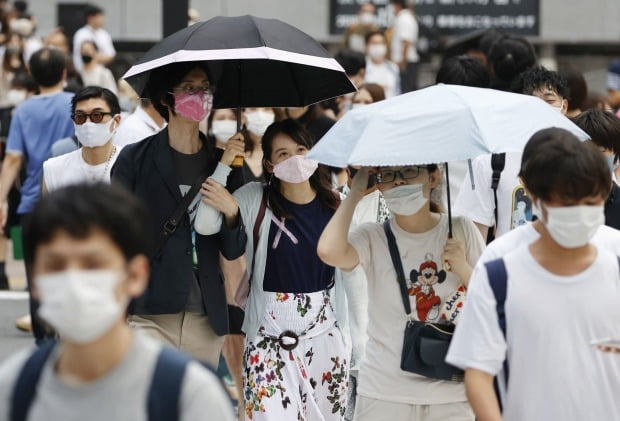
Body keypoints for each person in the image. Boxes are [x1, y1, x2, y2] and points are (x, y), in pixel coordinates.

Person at [0, 183, 235, 421]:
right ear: (36, 280)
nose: (74, 280)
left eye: (93, 265)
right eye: (55, 265)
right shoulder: (13, 389)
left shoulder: (190, 395)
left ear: (135, 275)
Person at [446, 128, 620, 420]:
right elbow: (478, 372)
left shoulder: (615, 257)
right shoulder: (500, 269)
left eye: (589, 201)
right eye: (565, 201)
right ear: (533, 196)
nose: (578, 211)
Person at [197, 119, 347, 420]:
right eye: (282, 154)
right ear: (268, 164)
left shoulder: (336, 204)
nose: (294, 159)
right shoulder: (255, 198)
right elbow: (204, 223)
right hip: (267, 337)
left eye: (301, 149)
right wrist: (226, 164)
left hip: (325, 336)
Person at [318, 163, 485, 420]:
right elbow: (328, 251)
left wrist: (462, 267)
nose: (398, 182)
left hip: (450, 394)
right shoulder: (372, 236)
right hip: (384, 394)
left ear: (433, 177)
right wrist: (355, 192)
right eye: (390, 175)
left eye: (408, 172)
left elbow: (491, 301)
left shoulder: (461, 229)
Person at [111, 62, 245, 367]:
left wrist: (232, 214)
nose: (200, 95)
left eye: (205, 88)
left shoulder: (225, 163)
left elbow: (235, 247)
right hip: (149, 309)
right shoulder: (134, 159)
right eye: (189, 88)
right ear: (166, 97)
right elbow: (116, 234)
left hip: (206, 316)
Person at [0, 47, 74, 342]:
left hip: (34, 202)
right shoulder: (76, 104)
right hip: (72, 200)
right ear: (65, 73)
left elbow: (13, 159)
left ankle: (44, 343)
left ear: (31, 76)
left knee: (38, 275)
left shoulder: (24, 110)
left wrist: (1, 199)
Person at [453, 65, 568, 241]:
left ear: (564, 106)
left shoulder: (579, 159)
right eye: (531, 101)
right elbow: (474, 237)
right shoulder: (491, 161)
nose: (540, 108)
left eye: (549, 101)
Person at [43, 86, 121, 193]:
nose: (88, 123)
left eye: (97, 115)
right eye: (80, 117)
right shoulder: (54, 168)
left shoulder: (131, 166)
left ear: (116, 120)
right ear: (74, 122)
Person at [573, 109, 620, 229]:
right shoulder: (556, 203)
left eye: (600, 151)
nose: (590, 157)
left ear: (617, 157)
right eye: (583, 150)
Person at [72, 5, 115, 72]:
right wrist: (99, 57)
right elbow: (85, 56)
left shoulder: (104, 34)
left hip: (101, 72)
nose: (103, 20)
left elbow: (110, 56)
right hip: (83, 72)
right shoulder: (80, 34)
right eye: (99, 16)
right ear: (90, 18)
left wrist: (95, 56)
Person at [389, 0, 419, 92]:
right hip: (404, 62)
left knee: (406, 92)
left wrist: (403, 64)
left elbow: (406, 42)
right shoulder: (403, 17)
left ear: (397, 5)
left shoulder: (404, 19)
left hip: (405, 63)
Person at [364, 31, 400, 98]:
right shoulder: (361, 67)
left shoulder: (393, 68)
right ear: (366, 46)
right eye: (374, 43)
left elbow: (397, 92)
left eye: (381, 43)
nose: (378, 46)